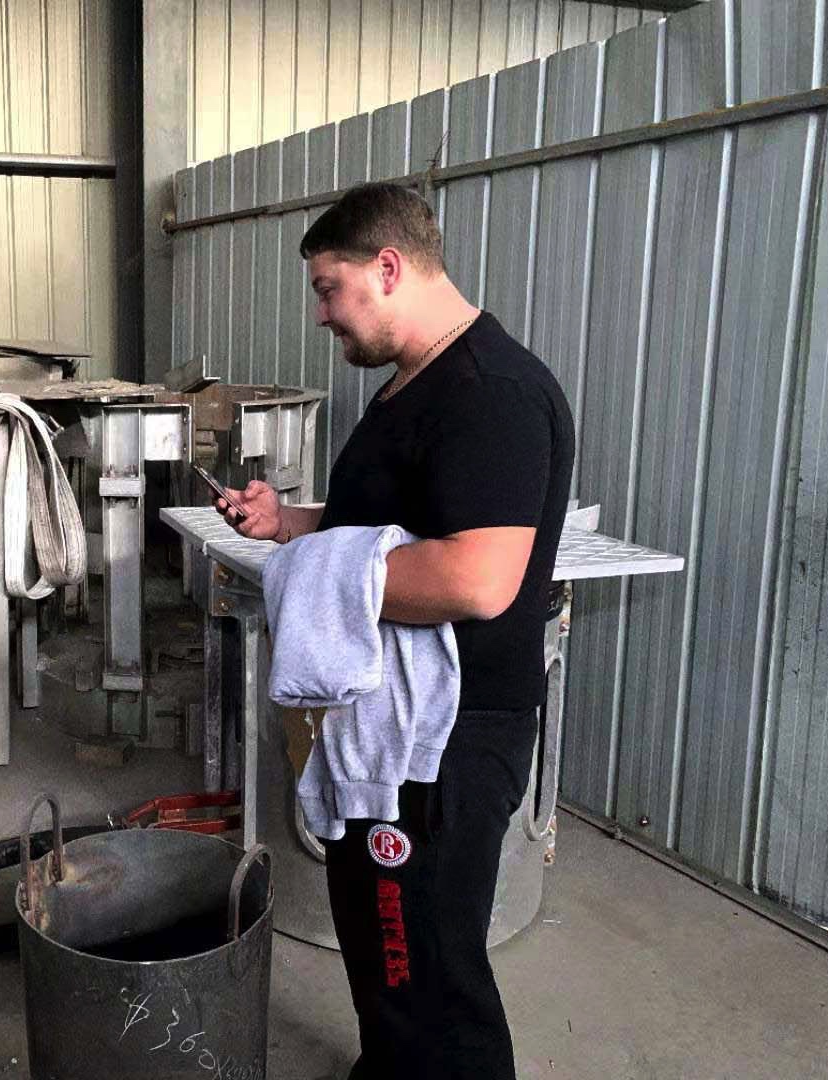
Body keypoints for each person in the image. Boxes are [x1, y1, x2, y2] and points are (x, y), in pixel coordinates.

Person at [215, 183, 575, 1079]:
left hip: (447, 738)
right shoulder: (413, 383)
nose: (321, 315)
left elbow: (475, 579)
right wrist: (290, 524)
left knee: (428, 968)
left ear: (387, 267)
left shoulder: (490, 393)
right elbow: (386, 528)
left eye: (328, 289)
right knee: (386, 950)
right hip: (392, 720)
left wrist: (306, 577)